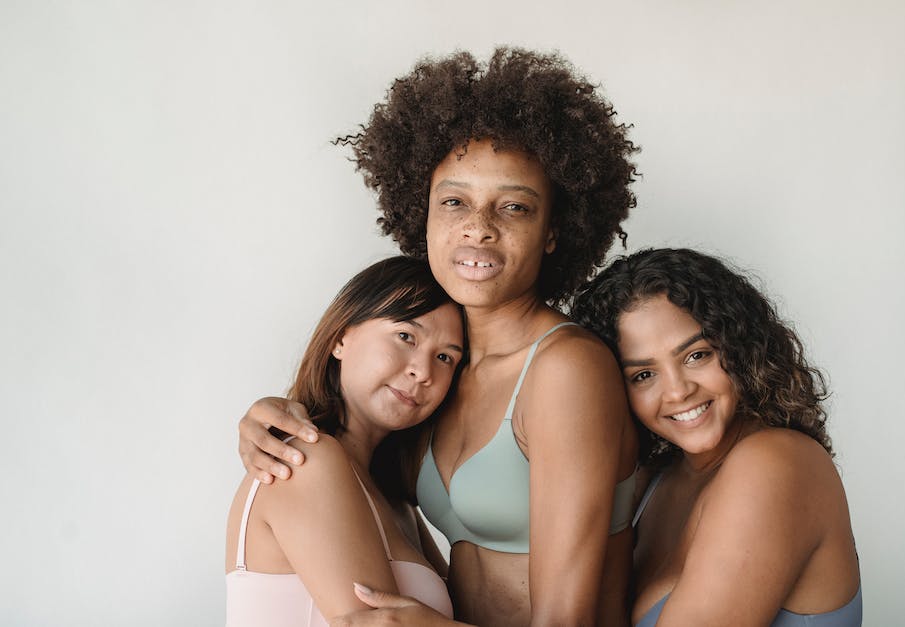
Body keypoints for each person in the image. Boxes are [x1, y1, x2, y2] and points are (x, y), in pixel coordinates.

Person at [237, 47, 640, 626]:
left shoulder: (564, 368)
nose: (479, 225)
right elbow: (348, 480)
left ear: (553, 232)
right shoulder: (441, 372)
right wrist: (271, 415)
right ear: (422, 214)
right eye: (454, 201)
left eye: (515, 208)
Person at [571, 248, 862, 626]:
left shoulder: (777, 463)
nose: (677, 392)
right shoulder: (655, 479)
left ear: (739, 345)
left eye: (696, 355)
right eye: (643, 375)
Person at [225, 256, 464, 626]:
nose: (423, 371)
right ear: (340, 338)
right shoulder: (305, 459)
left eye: (445, 357)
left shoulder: (399, 503)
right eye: (405, 336)